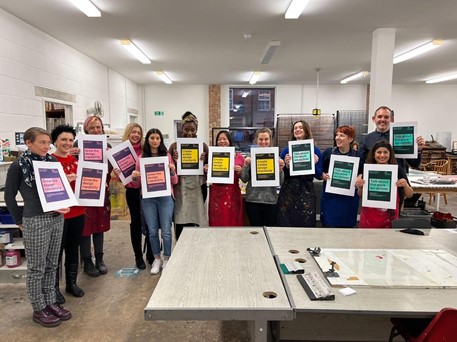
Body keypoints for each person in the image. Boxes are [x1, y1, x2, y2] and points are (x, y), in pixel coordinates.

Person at [5, 127, 72, 327]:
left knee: (53, 264)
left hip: (56, 217)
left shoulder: (51, 162)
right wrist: (18, 220)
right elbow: (9, 196)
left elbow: (58, 189)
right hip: (36, 220)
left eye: (48, 142)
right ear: (28, 142)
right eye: (42, 142)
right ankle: (38, 307)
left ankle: (50, 302)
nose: (46, 146)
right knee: (37, 267)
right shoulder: (19, 166)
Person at [132, 128, 178, 275]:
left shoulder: (167, 156)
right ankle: (156, 258)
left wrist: (171, 171)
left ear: (161, 140)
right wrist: (135, 177)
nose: (155, 140)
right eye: (152, 138)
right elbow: (137, 185)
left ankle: (167, 258)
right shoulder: (141, 158)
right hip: (148, 199)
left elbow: (175, 180)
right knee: (152, 231)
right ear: (148, 140)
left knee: (166, 231)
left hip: (165, 197)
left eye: (158, 138)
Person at [50, 125, 85, 305]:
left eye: (70, 140)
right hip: (59, 215)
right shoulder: (49, 161)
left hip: (78, 211)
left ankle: (71, 283)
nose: (67, 143)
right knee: (56, 252)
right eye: (64, 139)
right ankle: (53, 288)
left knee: (73, 249)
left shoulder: (76, 161)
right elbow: (47, 189)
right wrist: (65, 180)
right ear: (55, 141)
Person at [113, 123, 151, 269]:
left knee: (150, 221)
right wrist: (117, 174)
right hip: (132, 191)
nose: (136, 135)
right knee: (136, 223)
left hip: (148, 189)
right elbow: (116, 177)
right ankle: (138, 256)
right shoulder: (121, 152)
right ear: (128, 133)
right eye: (133, 132)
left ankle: (151, 252)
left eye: (138, 133)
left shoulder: (145, 149)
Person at [79, 115, 112, 277]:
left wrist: (110, 156)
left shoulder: (108, 146)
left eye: (98, 127)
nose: (96, 130)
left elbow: (113, 168)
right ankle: (87, 261)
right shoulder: (79, 146)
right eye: (92, 128)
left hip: (102, 191)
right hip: (85, 192)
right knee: (85, 228)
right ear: (86, 130)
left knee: (100, 225)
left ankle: (100, 259)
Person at [169, 111, 208, 239]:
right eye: (186, 129)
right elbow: (168, 168)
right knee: (181, 218)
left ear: (196, 129)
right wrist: (174, 160)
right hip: (180, 189)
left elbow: (210, 169)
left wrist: (205, 160)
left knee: (196, 217)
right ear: (182, 129)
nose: (190, 133)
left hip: (198, 188)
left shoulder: (203, 147)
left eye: (193, 129)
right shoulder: (174, 147)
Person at [357, 140, 413, 228]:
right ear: (373, 154)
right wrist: (360, 187)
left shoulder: (397, 170)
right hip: (369, 216)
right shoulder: (368, 170)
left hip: (389, 216)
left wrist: (405, 185)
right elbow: (361, 195)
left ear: (390, 154)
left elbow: (410, 195)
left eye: (385, 152)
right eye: (379, 152)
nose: (382, 155)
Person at [277, 120, 322, 227]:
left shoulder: (315, 150)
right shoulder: (286, 151)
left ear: (306, 131)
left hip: (306, 190)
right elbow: (282, 175)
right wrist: (286, 166)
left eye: (300, 127)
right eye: (295, 128)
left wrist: (313, 164)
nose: (297, 129)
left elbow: (319, 175)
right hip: (289, 191)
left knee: (306, 222)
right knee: (286, 221)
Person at [320, 126, 364, 228]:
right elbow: (318, 170)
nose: (338, 138)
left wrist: (360, 177)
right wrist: (322, 175)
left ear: (350, 139)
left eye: (342, 135)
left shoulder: (358, 156)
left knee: (346, 229)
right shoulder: (329, 153)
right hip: (331, 199)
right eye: (337, 135)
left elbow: (364, 172)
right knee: (328, 227)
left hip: (348, 200)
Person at [240, 128, 284, 226]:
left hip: (270, 200)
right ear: (256, 140)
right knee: (255, 230)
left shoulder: (276, 158)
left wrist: (280, 170)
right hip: (252, 200)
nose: (263, 142)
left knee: (270, 230)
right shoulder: (250, 156)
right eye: (260, 139)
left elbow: (281, 182)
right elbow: (244, 179)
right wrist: (246, 166)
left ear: (270, 140)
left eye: (266, 139)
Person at [360, 106, 425, 172]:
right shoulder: (365, 140)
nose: (382, 120)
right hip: (375, 179)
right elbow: (361, 164)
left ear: (392, 119)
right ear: (374, 119)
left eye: (386, 117)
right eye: (379, 116)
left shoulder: (402, 137)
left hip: (398, 180)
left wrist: (418, 149)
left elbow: (414, 164)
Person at [206, 130, 245, 227]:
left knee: (232, 220)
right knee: (218, 221)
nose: (222, 141)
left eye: (225, 139)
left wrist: (240, 171)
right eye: (219, 139)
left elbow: (245, 177)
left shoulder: (239, 157)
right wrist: (206, 170)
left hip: (233, 194)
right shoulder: (212, 156)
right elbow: (209, 176)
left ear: (230, 141)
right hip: (216, 194)